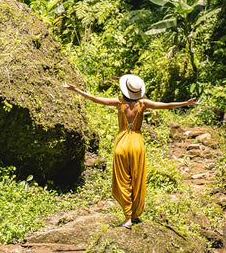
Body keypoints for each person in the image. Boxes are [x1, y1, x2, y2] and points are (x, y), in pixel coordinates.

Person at [63, 75, 200, 229]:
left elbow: (95, 99)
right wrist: (186, 103)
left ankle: (128, 217)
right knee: (136, 178)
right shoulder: (143, 104)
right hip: (137, 143)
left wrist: (76, 90)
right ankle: (134, 215)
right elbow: (166, 105)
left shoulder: (119, 103)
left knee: (123, 180)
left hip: (122, 143)